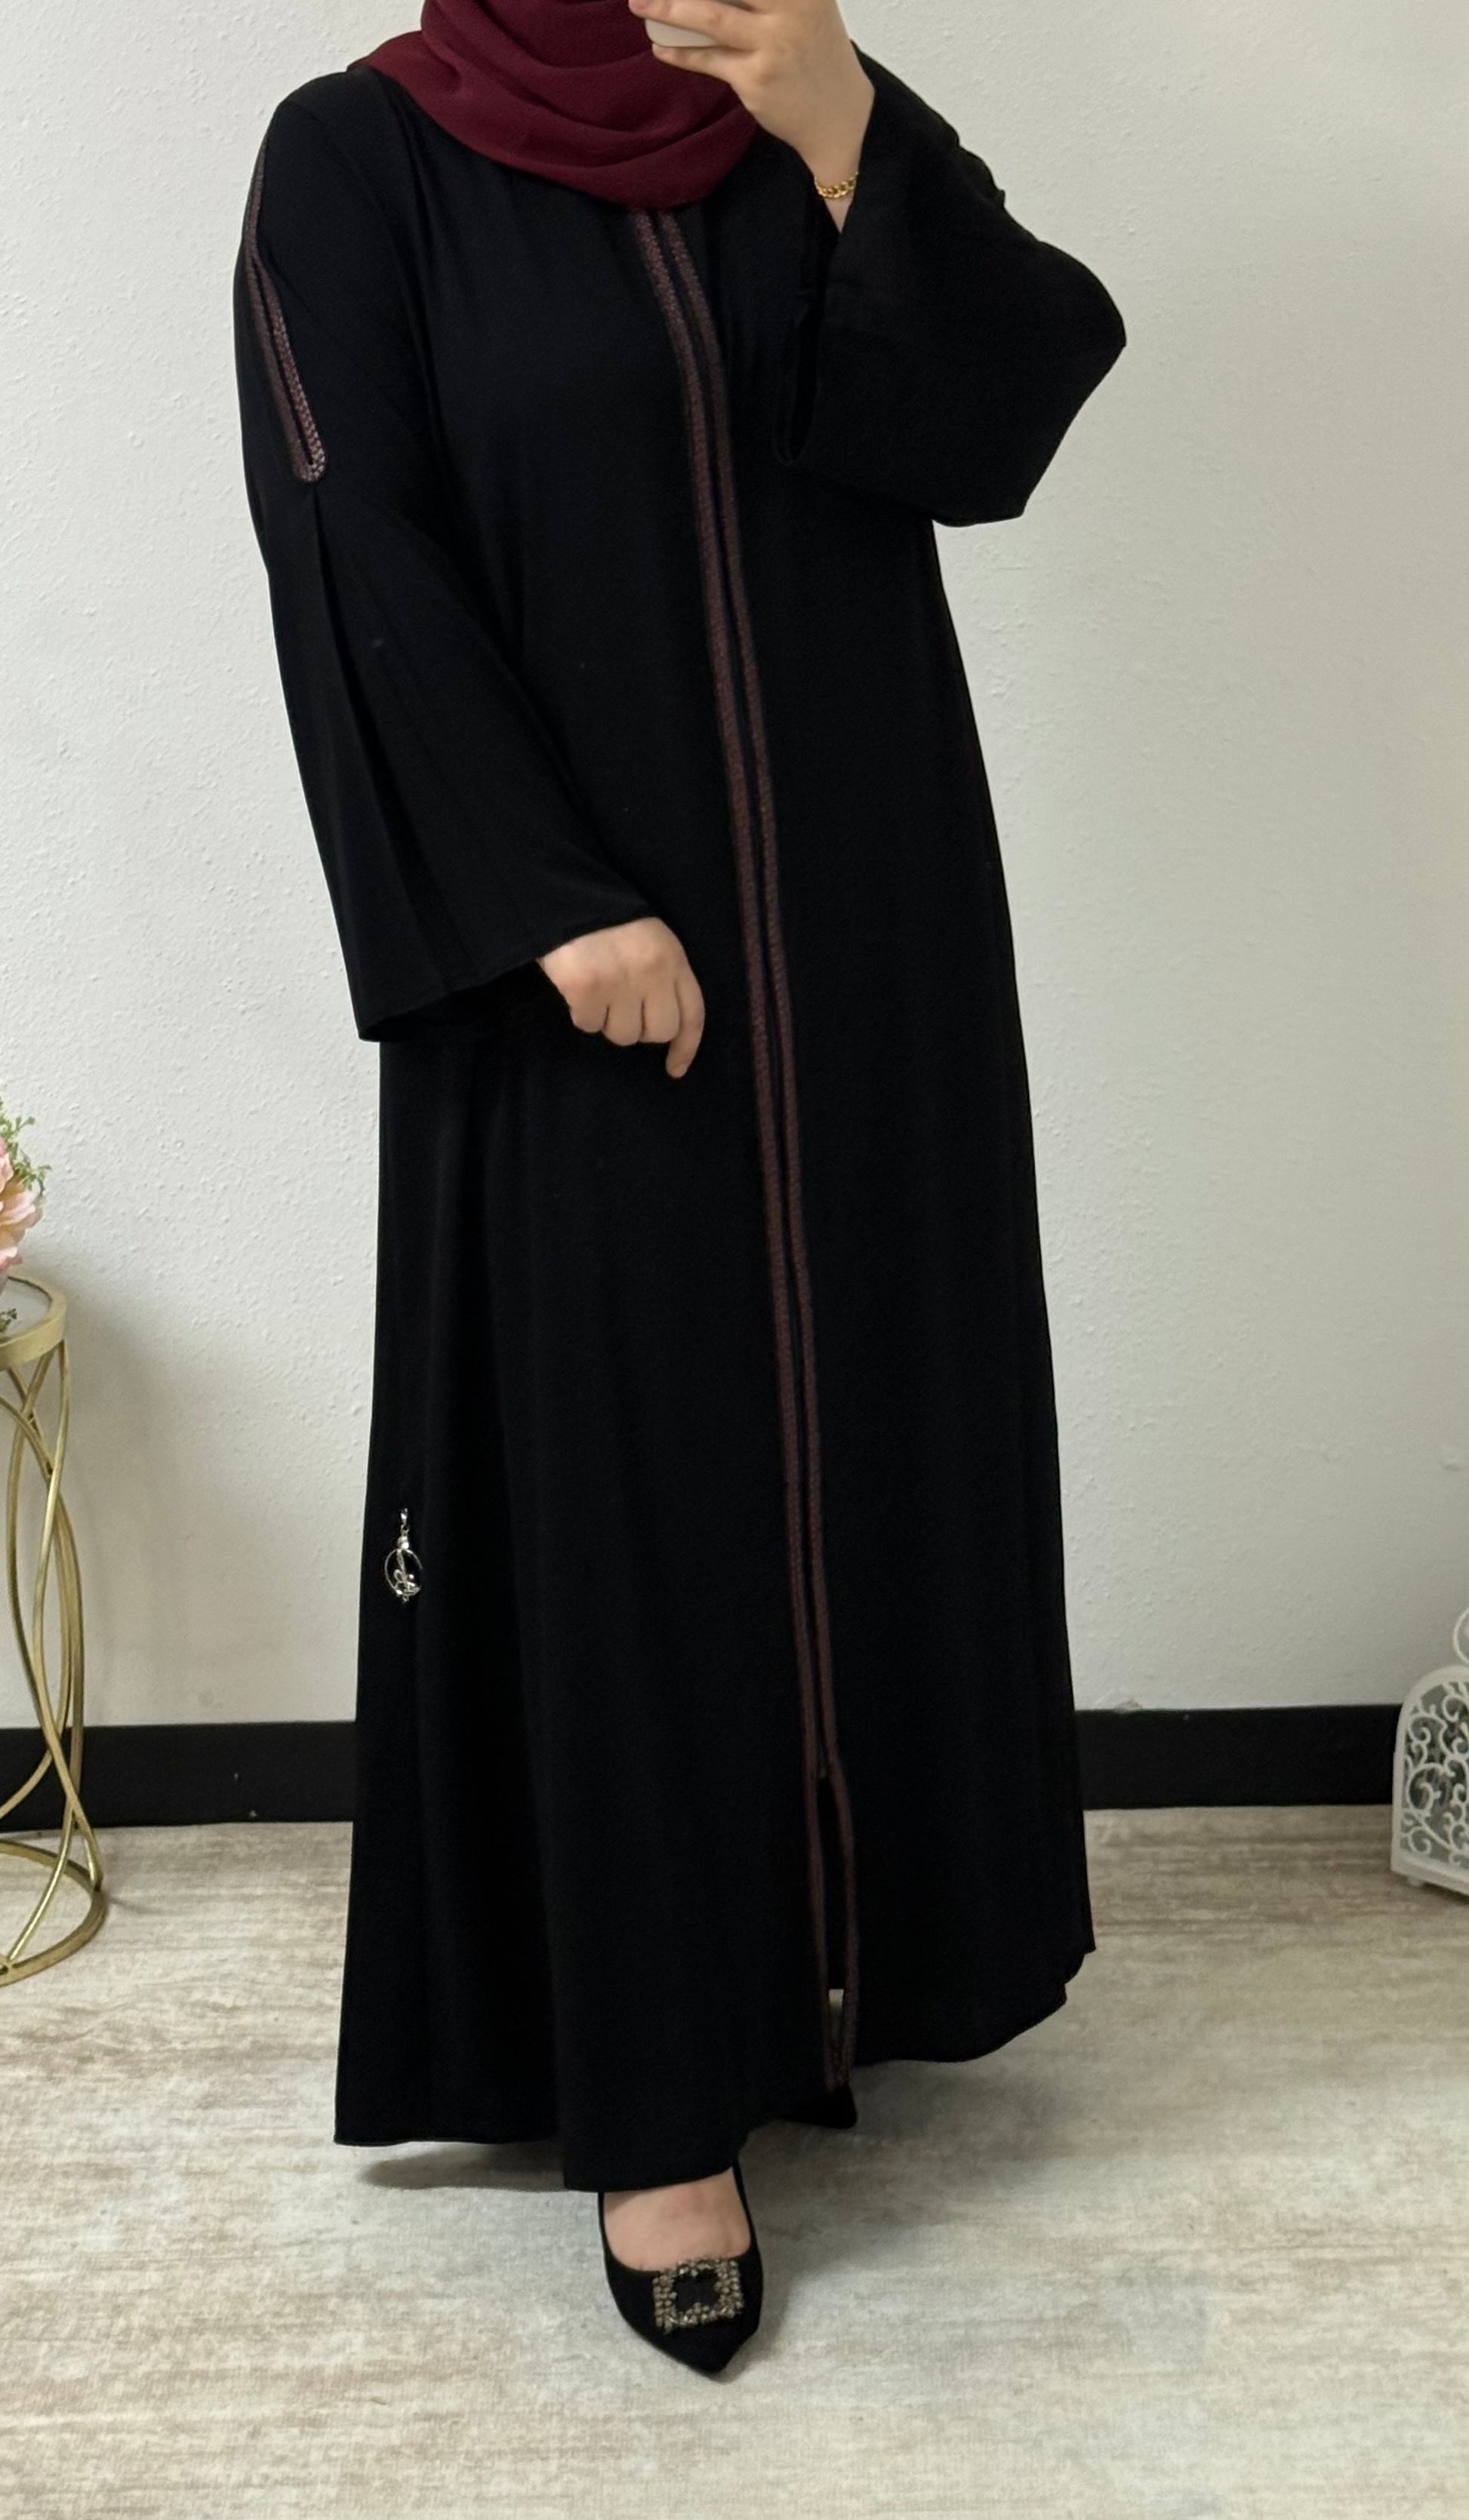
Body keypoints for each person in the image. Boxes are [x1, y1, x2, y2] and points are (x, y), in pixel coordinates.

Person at [233, 0, 1125, 2374]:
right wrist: (541, 901)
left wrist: (844, 131)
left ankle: (868, 1962)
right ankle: (651, 2097)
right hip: (587, 969)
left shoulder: (778, 98)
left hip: (869, 939)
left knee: (874, 1438)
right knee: (624, 1496)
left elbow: (985, 425)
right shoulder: (362, 159)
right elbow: (349, 533)